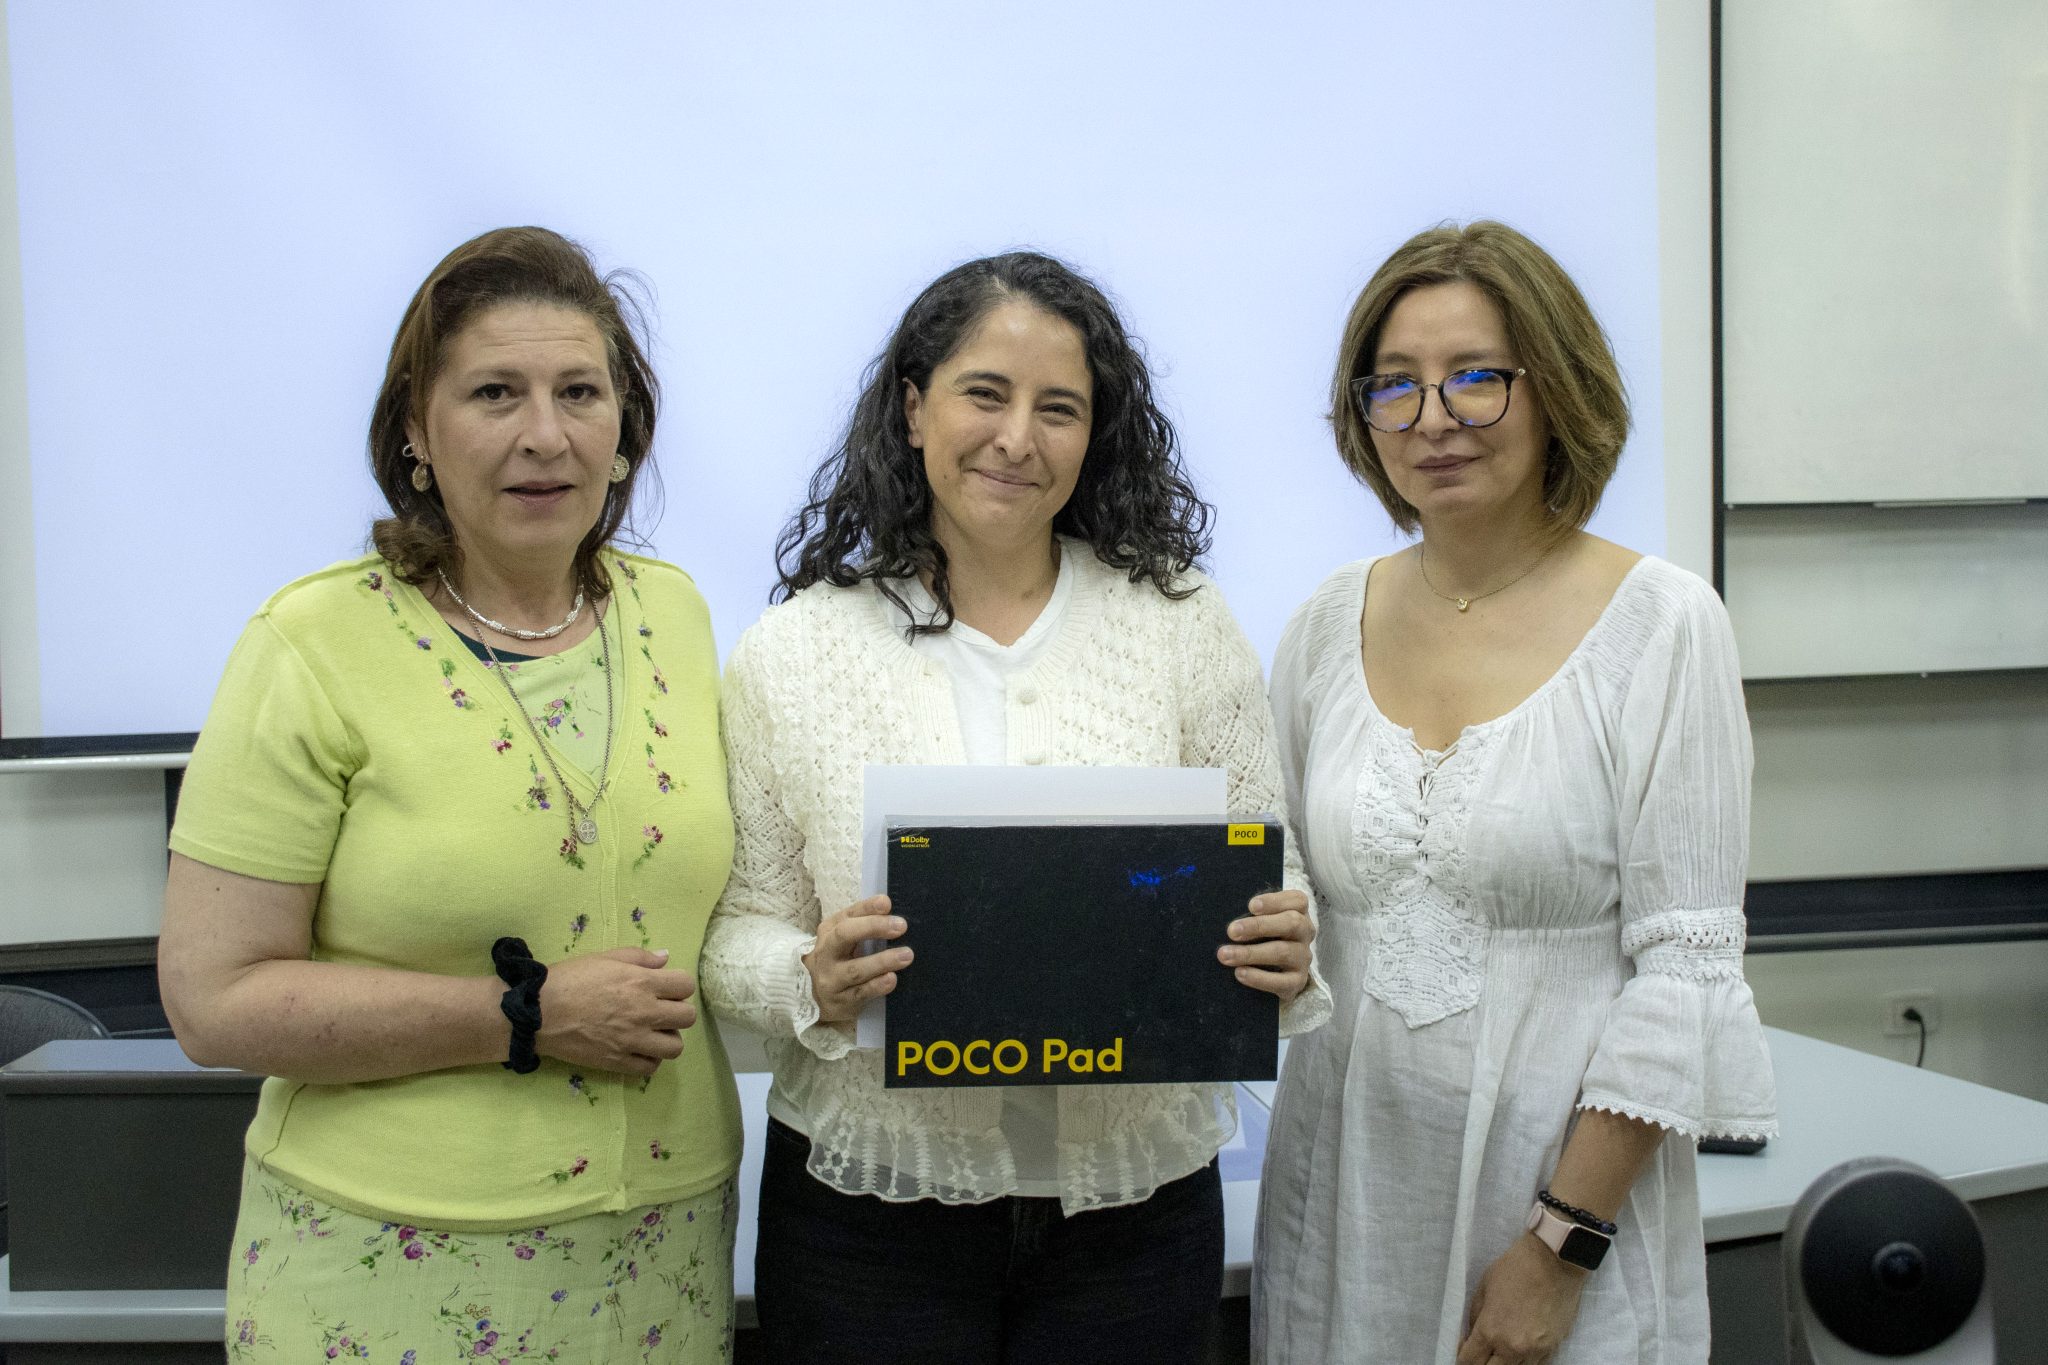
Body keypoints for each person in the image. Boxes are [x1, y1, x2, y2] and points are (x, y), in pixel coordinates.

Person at [698, 250, 1331, 1363]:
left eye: (1059, 409)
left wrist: (1282, 936)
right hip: (866, 1218)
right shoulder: (791, 651)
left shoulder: (1181, 623)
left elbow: (1264, 872)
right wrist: (807, 976)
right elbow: (736, 928)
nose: (1016, 438)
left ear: (1096, 433)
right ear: (912, 408)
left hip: (1137, 1214)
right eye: (983, 393)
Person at [158, 226, 743, 1364]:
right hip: (387, 1263)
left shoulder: (672, 613)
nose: (545, 434)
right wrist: (519, 1013)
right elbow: (212, 1001)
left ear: (625, 427)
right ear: (417, 433)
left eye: (581, 392)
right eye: (493, 392)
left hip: (661, 1261)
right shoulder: (310, 641)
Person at [1251, 221, 1779, 1365]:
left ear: (1557, 388)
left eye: (1475, 377)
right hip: (1341, 1209)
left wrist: (1557, 1248)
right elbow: (1278, 891)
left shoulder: (1661, 627)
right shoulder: (1322, 625)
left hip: (1557, 1224)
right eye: (1394, 385)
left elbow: (1683, 978)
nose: (1431, 418)